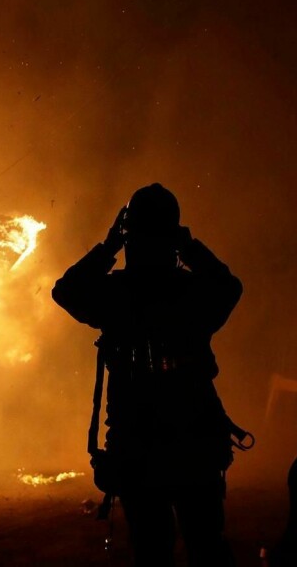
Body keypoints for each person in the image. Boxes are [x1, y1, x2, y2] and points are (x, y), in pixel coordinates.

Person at [52, 183, 243, 567]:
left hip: (140, 448)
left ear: (130, 235)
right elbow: (228, 286)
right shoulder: (190, 291)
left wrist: (108, 247)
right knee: (205, 547)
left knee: (153, 550)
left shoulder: (117, 294)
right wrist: (189, 247)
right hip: (191, 442)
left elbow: (67, 290)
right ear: (173, 234)